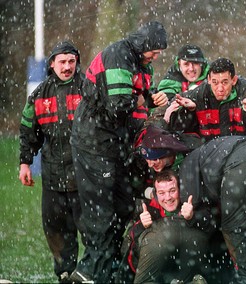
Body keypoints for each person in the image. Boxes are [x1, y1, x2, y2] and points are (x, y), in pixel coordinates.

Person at [69, 21, 168, 283]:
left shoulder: (140, 63)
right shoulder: (118, 55)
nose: (157, 56)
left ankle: (104, 268)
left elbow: (137, 97)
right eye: (155, 50)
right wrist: (142, 99)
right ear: (143, 44)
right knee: (100, 209)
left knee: (123, 205)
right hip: (94, 140)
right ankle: (94, 272)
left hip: (114, 141)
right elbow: (119, 105)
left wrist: (152, 97)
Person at [19, 41, 85, 282]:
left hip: (84, 177)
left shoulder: (88, 89)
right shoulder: (39, 94)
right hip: (53, 178)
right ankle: (65, 275)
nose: (67, 67)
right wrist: (25, 163)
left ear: (77, 62)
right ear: (52, 64)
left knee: (93, 233)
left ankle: (92, 273)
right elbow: (28, 130)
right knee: (57, 233)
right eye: (62, 62)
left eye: (71, 61)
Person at [179, 135, 246, 283]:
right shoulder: (210, 151)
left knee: (232, 227)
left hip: (244, 162)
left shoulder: (188, 164)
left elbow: (195, 205)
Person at [124, 169, 209, 284]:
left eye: (172, 190)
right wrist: (143, 225)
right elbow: (131, 237)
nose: (168, 197)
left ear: (180, 190)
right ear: (155, 194)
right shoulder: (148, 208)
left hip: (180, 265)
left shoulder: (189, 204)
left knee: (196, 236)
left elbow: (210, 224)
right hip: (154, 268)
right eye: (162, 193)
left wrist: (192, 217)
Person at [164, 57, 246, 140]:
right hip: (210, 153)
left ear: (233, 80)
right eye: (215, 82)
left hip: (241, 149)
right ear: (208, 80)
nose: (220, 89)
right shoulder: (198, 94)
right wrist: (189, 110)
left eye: (225, 82)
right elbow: (177, 127)